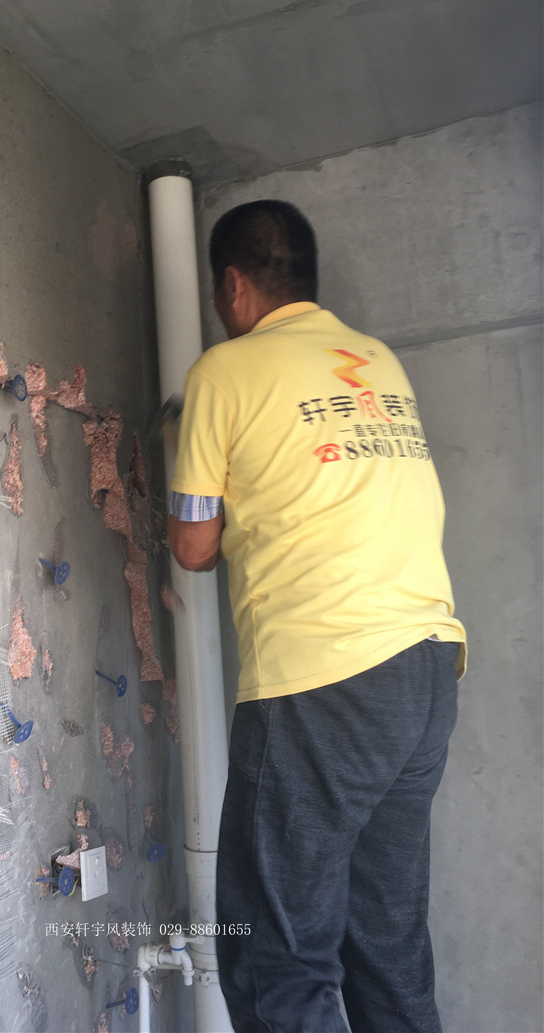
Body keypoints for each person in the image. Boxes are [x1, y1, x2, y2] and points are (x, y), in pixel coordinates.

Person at [168, 200, 466, 1033]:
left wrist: (190, 456)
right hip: (427, 670)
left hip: (324, 676)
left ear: (233, 286)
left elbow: (193, 546)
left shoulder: (222, 373)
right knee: (387, 943)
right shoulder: (376, 360)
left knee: (276, 959)